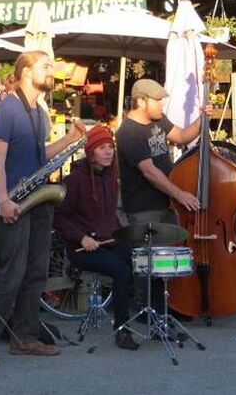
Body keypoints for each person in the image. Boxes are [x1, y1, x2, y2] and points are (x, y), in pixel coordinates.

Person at [0, 50, 85, 367]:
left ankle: (25, 337)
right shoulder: (8, 108)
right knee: (12, 273)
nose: (51, 71)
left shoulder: (41, 112)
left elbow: (41, 154)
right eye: (45, 66)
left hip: (38, 198)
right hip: (15, 200)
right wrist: (3, 199)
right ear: (24, 72)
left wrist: (71, 140)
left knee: (36, 272)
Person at [115, 79, 210, 314]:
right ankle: (145, 312)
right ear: (141, 101)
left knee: (166, 262)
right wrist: (179, 193)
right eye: (157, 101)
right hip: (143, 206)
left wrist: (202, 118)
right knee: (148, 263)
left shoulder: (158, 120)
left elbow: (181, 136)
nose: (161, 106)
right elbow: (149, 171)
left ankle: (166, 310)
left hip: (166, 202)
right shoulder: (128, 131)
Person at [53, 125, 139, 350]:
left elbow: (109, 218)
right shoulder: (75, 180)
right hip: (81, 248)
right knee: (121, 271)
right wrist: (81, 238)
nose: (109, 152)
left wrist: (125, 235)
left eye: (110, 147)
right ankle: (122, 331)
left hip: (108, 242)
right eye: (102, 147)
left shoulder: (111, 177)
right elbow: (60, 218)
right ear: (91, 152)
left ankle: (154, 316)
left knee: (140, 259)